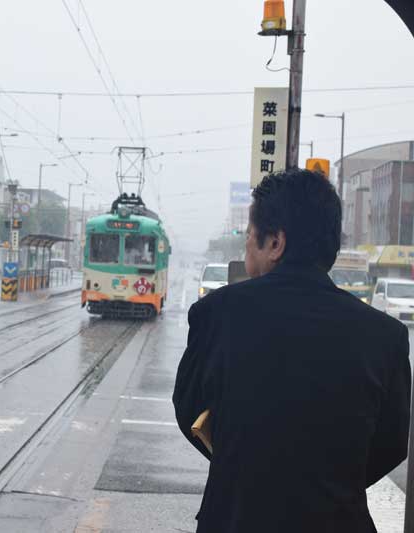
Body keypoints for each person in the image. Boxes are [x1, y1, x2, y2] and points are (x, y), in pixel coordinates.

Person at [173, 169, 411, 533]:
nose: (247, 250)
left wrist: (243, 468)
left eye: (250, 239)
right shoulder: (386, 336)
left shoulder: (216, 314)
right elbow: (392, 446)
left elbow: (189, 410)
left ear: (275, 243)